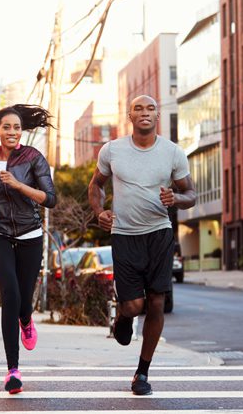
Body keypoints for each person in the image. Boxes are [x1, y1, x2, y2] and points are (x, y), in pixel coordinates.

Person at [88, 95, 196, 396]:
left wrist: (176, 199)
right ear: (129, 116)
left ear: (157, 116)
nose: (144, 113)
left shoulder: (173, 153)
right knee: (134, 305)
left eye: (150, 108)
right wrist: (100, 212)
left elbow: (191, 194)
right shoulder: (112, 150)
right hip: (124, 234)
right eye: (138, 108)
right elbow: (96, 184)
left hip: (159, 234)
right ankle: (123, 315)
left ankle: (142, 373)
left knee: (157, 302)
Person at [0, 104, 56, 394]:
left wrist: (20, 185)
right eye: (6, 127)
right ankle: (12, 371)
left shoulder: (33, 158)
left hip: (30, 234)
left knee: (23, 300)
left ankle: (26, 318)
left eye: (17, 127)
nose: (12, 132)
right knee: (9, 294)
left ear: (22, 131)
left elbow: (50, 199)